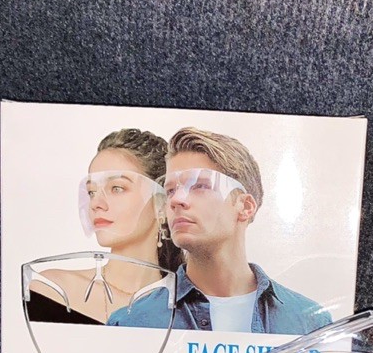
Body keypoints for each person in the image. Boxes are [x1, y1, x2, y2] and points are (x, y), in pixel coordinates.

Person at [108, 127, 332, 333]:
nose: (176, 200)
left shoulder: (309, 324)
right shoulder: (131, 324)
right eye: (170, 191)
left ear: (245, 206)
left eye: (200, 186)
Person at [26, 129, 181, 324]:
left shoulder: (187, 307)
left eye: (117, 188)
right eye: (91, 192)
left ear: (162, 203)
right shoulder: (53, 290)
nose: (96, 203)